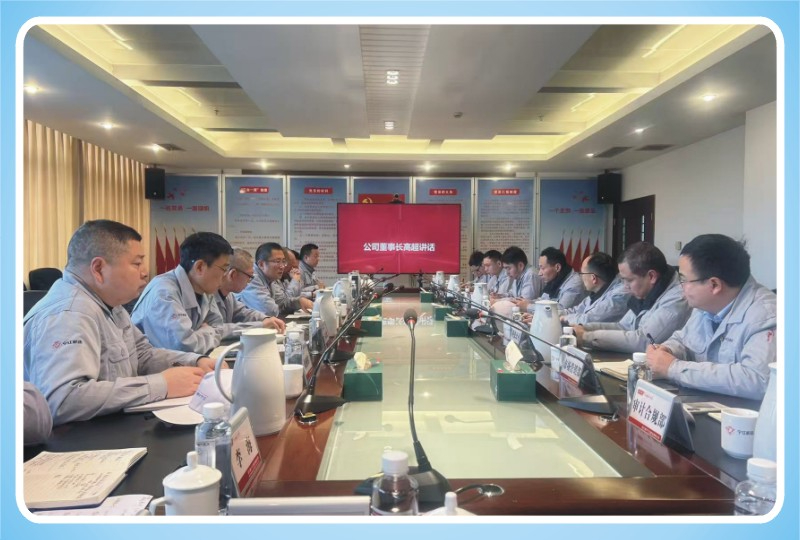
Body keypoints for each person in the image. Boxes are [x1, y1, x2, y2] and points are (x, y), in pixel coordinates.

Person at [24, 220, 209, 426]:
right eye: (137, 264)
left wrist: (194, 361)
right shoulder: (69, 314)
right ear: (99, 269)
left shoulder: (110, 304)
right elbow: (62, 400)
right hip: (76, 440)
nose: (145, 272)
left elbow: (142, 355)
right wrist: (161, 385)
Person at [646, 234, 776, 400]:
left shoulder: (766, 315)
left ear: (714, 285)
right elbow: (683, 340)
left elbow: (757, 380)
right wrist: (667, 350)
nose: (681, 287)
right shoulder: (705, 306)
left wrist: (673, 368)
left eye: (683, 280)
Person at [572, 242, 691, 353]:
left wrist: (586, 337)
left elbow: (644, 341)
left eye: (629, 280)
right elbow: (623, 326)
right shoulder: (647, 290)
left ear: (651, 276)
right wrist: (585, 328)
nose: (625, 286)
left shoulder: (676, 300)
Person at [132, 232, 232, 354]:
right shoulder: (164, 292)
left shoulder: (204, 289)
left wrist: (200, 334)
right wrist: (207, 331)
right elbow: (183, 347)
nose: (226, 275)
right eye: (224, 269)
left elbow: (218, 327)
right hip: (155, 364)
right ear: (200, 267)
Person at [212, 247, 286, 338]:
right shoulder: (209, 295)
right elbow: (217, 330)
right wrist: (261, 325)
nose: (250, 281)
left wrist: (266, 319)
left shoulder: (229, 295)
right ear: (233, 274)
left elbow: (244, 313)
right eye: (250, 276)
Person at [238, 242, 314, 316]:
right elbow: (269, 311)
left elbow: (281, 302)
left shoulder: (271, 278)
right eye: (277, 261)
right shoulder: (252, 278)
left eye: (283, 261)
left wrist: (298, 302)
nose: (282, 266)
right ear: (261, 264)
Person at [561, 252, 630, 325]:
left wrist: (564, 318)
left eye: (582, 274)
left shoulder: (619, 296)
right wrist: (557, 313)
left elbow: (589, 320)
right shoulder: (596, 293)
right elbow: (576, 311)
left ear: (593, 278)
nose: (581, 277)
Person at [529, 247, 587, 312]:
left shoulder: (574, 284)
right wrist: (528, 302)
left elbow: (560, 309)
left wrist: (528, 307)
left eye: (542, 268)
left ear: (557, 267)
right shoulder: (555, 279)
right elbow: (543, 300)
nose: (539, 273)